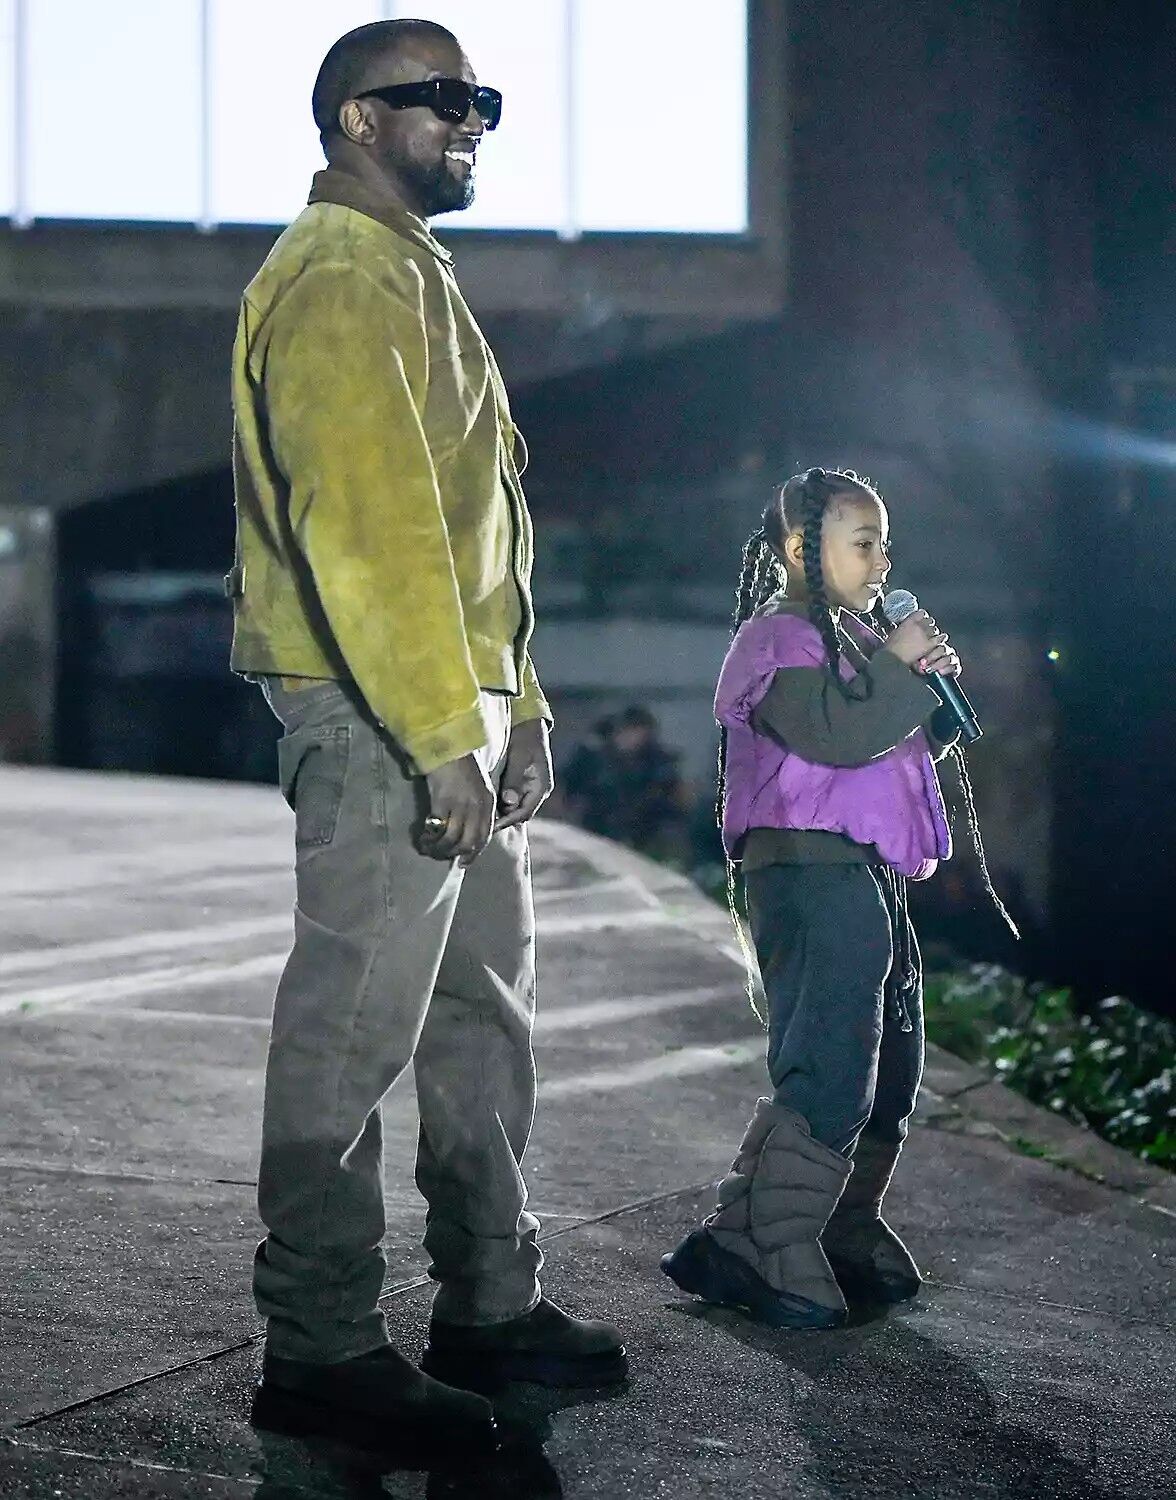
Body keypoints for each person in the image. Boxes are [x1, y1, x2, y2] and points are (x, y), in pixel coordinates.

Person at [227, 18, 625, 1450]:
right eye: (436, 99)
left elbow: (474, 539)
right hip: (378, 716)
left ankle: (489, 1305)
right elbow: (372, 535)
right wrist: (444, 736)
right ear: (351, 120)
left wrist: (520, 715)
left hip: (452, 714)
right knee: (350, 1033)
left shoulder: (409, 270)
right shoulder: (337, 278)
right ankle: (322, 1346)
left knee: (480, 1020)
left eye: (482, 99)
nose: (469, 119)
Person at [661, 466, 976, 1329]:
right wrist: (901, 673)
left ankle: (832, 1226)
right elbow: (834, 738)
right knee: (832, 1059)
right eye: (863, 541)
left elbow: (879, 756)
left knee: (893, 1065)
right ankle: (766, 1242)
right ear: (802, 548)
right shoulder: (777, 640)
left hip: (868, 876)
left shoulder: (851, 638)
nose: (881, 560)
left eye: (885, 543)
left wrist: (929, 705)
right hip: (808, 873)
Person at [561, 706, 689, 857]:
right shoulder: (593, 759)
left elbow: (675, 801)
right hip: (596, 831)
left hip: (645, 834)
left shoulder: (657, 763)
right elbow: (568, 788)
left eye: (638, 731)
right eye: (628, 730)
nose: (632, 737)